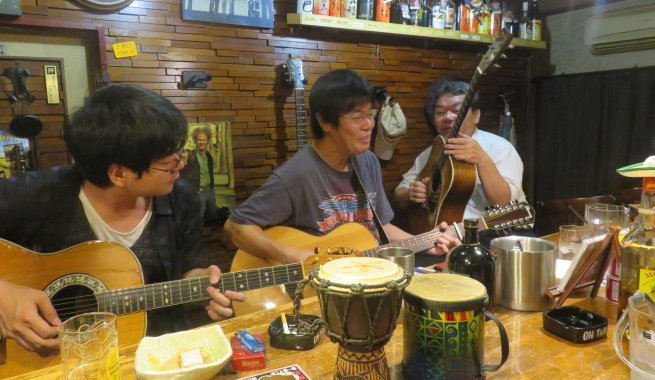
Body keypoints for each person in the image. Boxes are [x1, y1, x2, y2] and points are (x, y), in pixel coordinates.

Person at [0, 84, 244, 355]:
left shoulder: (182, 198)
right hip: (52, 361)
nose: (181, 165)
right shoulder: (35, 196)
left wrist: (204, 285)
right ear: (118, 174)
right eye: (168, 165)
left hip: (159, 352)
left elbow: (190, 267)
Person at [224, 69, 458, 272]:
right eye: (357, 117)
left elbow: (380, 226)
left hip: (365, 272)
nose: (370, 125)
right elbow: (236, 227)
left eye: (370, 114)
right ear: (324, 122)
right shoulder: (297, 173)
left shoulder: (368, 161)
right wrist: (293, 256)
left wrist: (424, 242)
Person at [395, 78, 525, 221]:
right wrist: (410, 194)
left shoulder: (500, 148)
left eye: (457, 111)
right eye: (440, 112)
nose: (447, 117)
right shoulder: (430, 153)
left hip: (491, 231)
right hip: (442, 230)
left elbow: (505, 204)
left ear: (476, 116)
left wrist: (482, 160)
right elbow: (399, 193)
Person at [180, 125, 219, 224]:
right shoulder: (190, 155)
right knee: (198, 217)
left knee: (213, 215)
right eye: (199, 140)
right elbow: (183, 174)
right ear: (195, 140)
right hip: (199, 191)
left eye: (204, 140)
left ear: (208, 141)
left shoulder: (209, 156)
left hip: (210, 190)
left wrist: (212, 188)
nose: (202, 142)